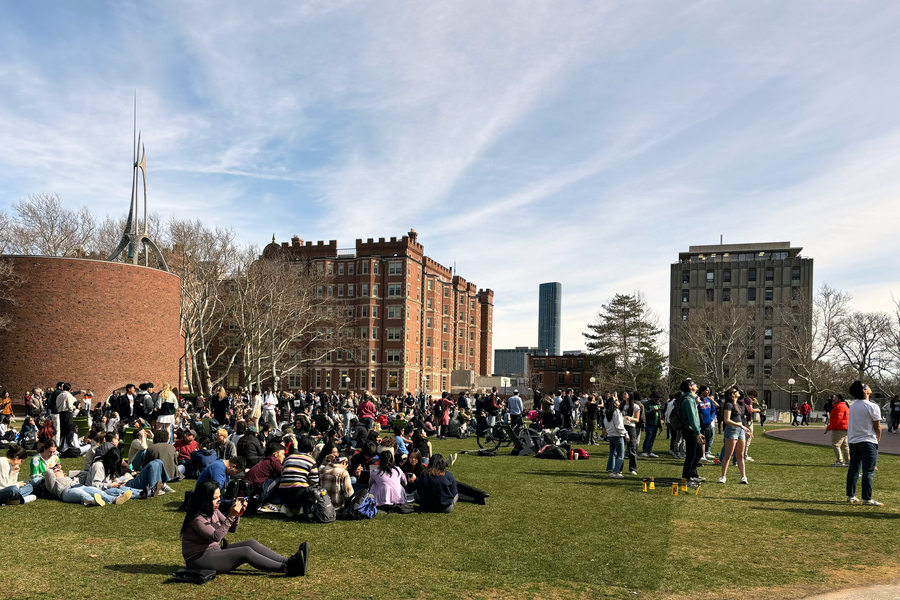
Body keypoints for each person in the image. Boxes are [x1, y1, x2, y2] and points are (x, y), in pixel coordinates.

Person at [181, 480, 308, 576]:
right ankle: (287, 568)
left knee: (251, 543)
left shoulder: (213, 511)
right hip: (199, 559)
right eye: (215, 498)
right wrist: (231, 515)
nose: (218, 501)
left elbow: (231, 529)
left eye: (219, 497)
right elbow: (216, 536)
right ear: (204, 500)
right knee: (245, 552)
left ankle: (288, 561)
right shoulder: (196, 519)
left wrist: (238, 515)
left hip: (214, 550)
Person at [845, 381, 883, 505]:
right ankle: (867, 498)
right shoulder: (872, 406)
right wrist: (877, 439)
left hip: (853, 440)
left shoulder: (853, 405)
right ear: (865, 391)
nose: (869, 387)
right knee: (868, 470)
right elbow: (877, 426)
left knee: (854, 469)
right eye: (866, 386)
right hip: (868, 440)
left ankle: (851, 496)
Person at [718, 387, 751, 485]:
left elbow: (741, 419)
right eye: (736, 392)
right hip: (732, 430)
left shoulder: (738, 404)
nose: (738, 392)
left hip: (740, 431)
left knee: (740, 455)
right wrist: (740, 425)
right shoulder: (729, 405)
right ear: (732, 394)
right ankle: (723, 476)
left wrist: (745, 429)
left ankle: (743, 477)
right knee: (728, 455)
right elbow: (726, 420)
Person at [278, 435, 319, 513]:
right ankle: (303, 509)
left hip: (282, 493)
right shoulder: (311, 460)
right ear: (312, 447)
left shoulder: (288, 458)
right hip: (299, 493)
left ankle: (286, 507)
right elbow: (314, 481)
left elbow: (283, 474)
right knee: (313, 489)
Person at [679, 379, 704, 486]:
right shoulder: (688, 400)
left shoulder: (691, 399)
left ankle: (693, 474)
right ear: (690, 387)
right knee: (691, 455)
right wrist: (698, 432)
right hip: (690, 430)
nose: (696, 385)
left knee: (699, 453)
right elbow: (692, 418)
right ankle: (686, 478)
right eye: (694, 384)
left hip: (693, 430)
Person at [603, 395, 626, 478]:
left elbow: (606, 425)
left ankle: (610, 468)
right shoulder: (616, 412)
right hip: (617, 435)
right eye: (616, 400)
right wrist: (626, 434)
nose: (618, 401)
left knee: (612, 453)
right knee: (620, 454)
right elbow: (619, 426)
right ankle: (617, 471)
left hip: (611, 435)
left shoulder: (607, 413)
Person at [826, 394, 849, 467]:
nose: (833, 399)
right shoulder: (844, 406)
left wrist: (829, 427)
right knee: (845, 446)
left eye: (835, 398)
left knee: (836, 445)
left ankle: (840, 461)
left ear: (839, 399)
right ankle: (848, 461)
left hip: (839, 428)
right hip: (844, 428)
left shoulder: (840, 407)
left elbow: (837, 419)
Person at [640, 393, 662, 457]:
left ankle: (650, 451)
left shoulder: (658, 404)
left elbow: (659, 415)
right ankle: (644, 451)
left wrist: (660, 425)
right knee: (648, 438)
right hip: (649, 424)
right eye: (656, 399)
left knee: (653, 439)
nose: (657, 400)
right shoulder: (647, 403)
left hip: (656, 424)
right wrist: (652, 410)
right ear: (652, 398)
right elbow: (645, 413)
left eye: (658, 399)